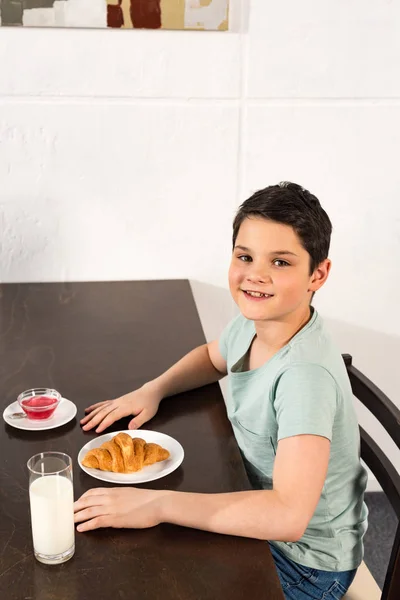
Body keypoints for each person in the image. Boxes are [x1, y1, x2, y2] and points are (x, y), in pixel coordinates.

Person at [74, 182, 368, 600]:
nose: (256, 275)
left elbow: (287, 517)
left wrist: (155, 505)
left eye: (281, 262)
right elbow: (213, 358)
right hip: (262, 512)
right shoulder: (257, 320)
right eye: (245, 256)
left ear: (317, 274)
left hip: (303, 563)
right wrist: (153, 389)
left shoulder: (305, 378)